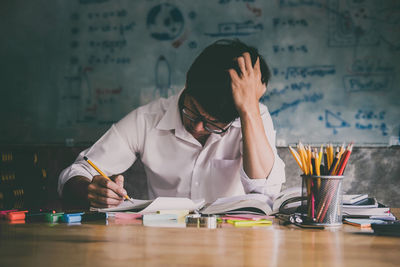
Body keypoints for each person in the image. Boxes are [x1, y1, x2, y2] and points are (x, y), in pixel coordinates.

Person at [59, 39, 285, 208]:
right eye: (193, 112)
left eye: (212, 125)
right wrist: (90, 190)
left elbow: (265, 193)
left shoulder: (252, 116)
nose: (197, 128)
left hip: (233, 245)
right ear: (187, 84)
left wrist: (249, 110)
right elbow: (76, 171)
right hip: (164, 242)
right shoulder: (147, 119)